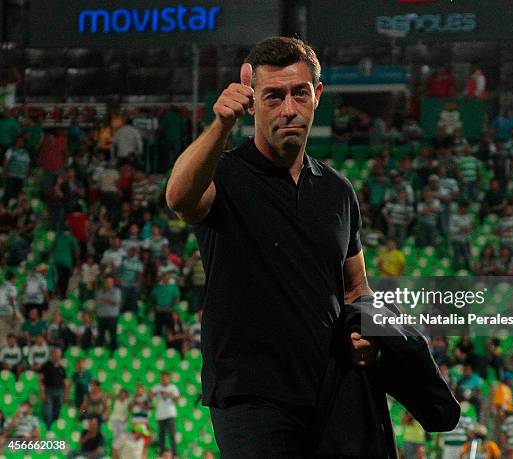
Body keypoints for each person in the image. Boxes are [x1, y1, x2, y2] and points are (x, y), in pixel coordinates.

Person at [165, 37, 381, 456]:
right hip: (250, 396)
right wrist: (222, 125)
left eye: (299, 93)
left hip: (329, 393)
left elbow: (357, 288)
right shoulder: (224, 175)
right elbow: (180, 198)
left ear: (317, 96)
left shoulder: (338, 191)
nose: (288, 108)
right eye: (273, 96)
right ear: (254, 101)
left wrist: (367, 333)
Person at [150, 372, 179, 458]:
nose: (164, 379)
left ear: (168, 378)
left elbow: (177, 399)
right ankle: (161, 454)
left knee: (172, 435)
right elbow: (150, 393)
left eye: (165, 378)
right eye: (162, 378)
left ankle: (174, 455)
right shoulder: (157, 387)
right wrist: (152, 395)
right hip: (160, 415)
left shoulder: (173, 387)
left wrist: (169, 394)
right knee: (161, 436)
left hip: (170, 414)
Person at [39, 347, 69, 429]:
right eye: (55, 354)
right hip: (48, 391)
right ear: (52, 355)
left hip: (60, 392)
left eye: (58, 355)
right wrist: (42, 392)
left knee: (57, 412)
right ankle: (47, 431)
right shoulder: (46, 366)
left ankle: (55, 431)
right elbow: (40, 380)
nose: (56, 356)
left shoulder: (62, 368)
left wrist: (66, 395)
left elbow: (66, 383)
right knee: (48, 412)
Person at [95, 275, 121, 351]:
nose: (108, 283)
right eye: (107, 282)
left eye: (110, 282)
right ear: (104, 283)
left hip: (112, 318)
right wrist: (110, 301)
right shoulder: (99, 291)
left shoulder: (117, 291)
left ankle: (114, 353)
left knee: (113, 336)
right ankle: (98, 352)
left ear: (113, 283)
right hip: (101, 317)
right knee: (100, 336)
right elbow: (97, 301)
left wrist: (104, 300)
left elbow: (116, 301)